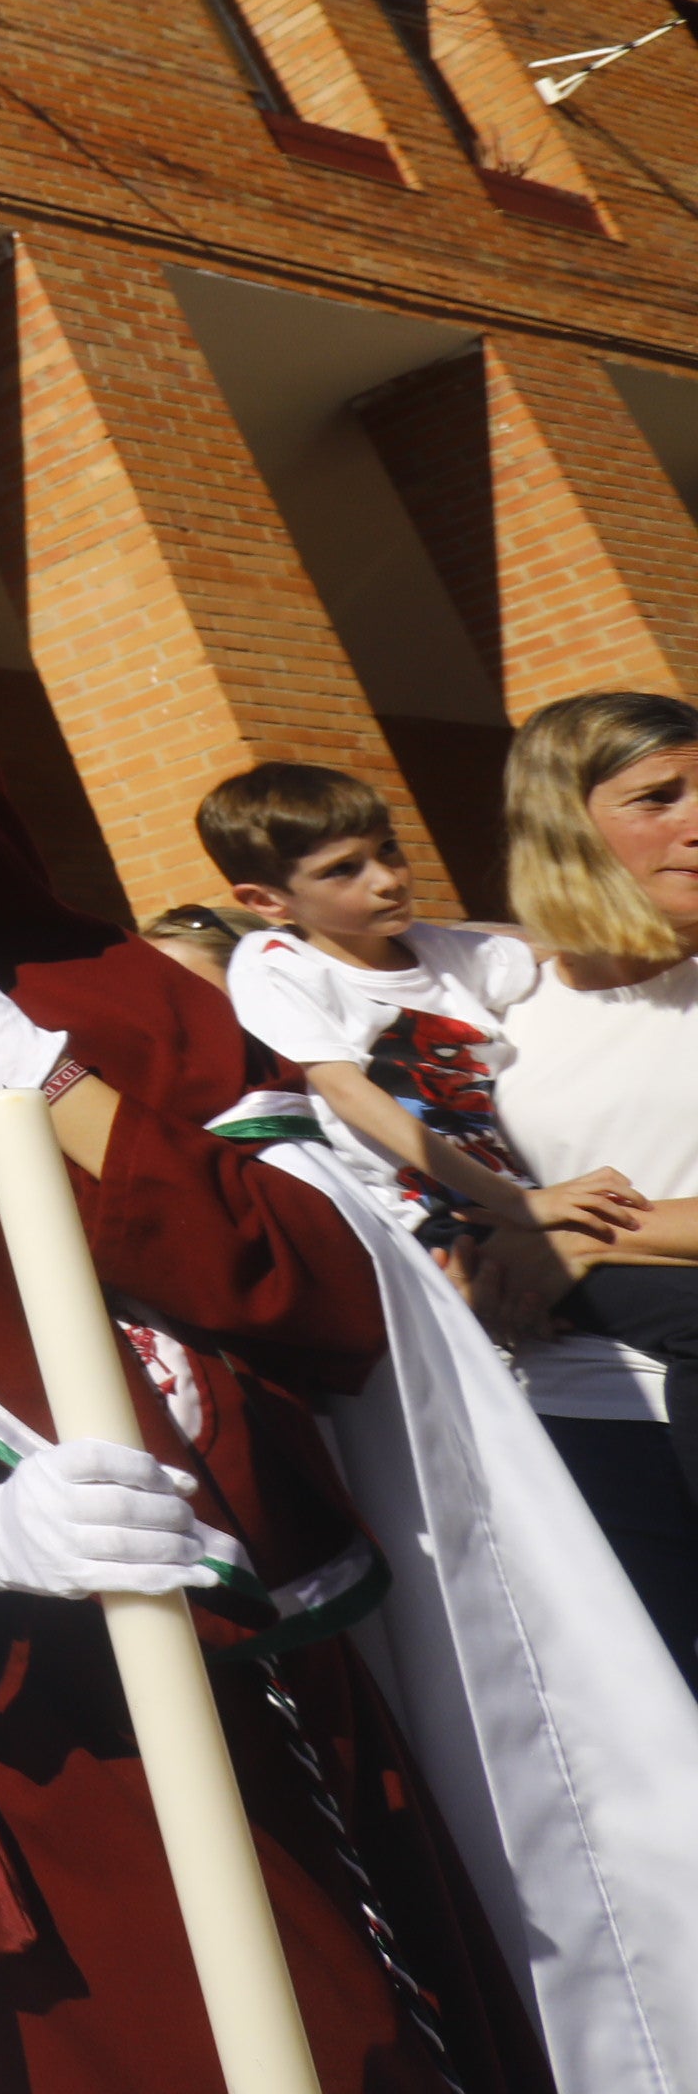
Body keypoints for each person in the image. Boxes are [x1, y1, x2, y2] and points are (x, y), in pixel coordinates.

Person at [0, 114, 614, 2091]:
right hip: (30, 1732)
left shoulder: (123, 1002)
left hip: (313, 1675)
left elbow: (333, 1297)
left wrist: (75, 1111)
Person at [203, 760, 642, 1337]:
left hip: (517, 1203)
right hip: (426, 1226)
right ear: (267, 901)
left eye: (388, 849)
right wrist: (515, 1202)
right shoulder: (276, 966)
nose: (388, 879)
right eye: (343, 870)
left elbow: (554, 948)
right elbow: (346, 1092)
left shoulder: (437, 948)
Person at [485, 690, 698, 1680]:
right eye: (659, 798)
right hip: (585, 1418)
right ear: (565, 824)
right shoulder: (497, 1016)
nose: (694, 821)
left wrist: (575, 1236)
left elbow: (538, 1237)